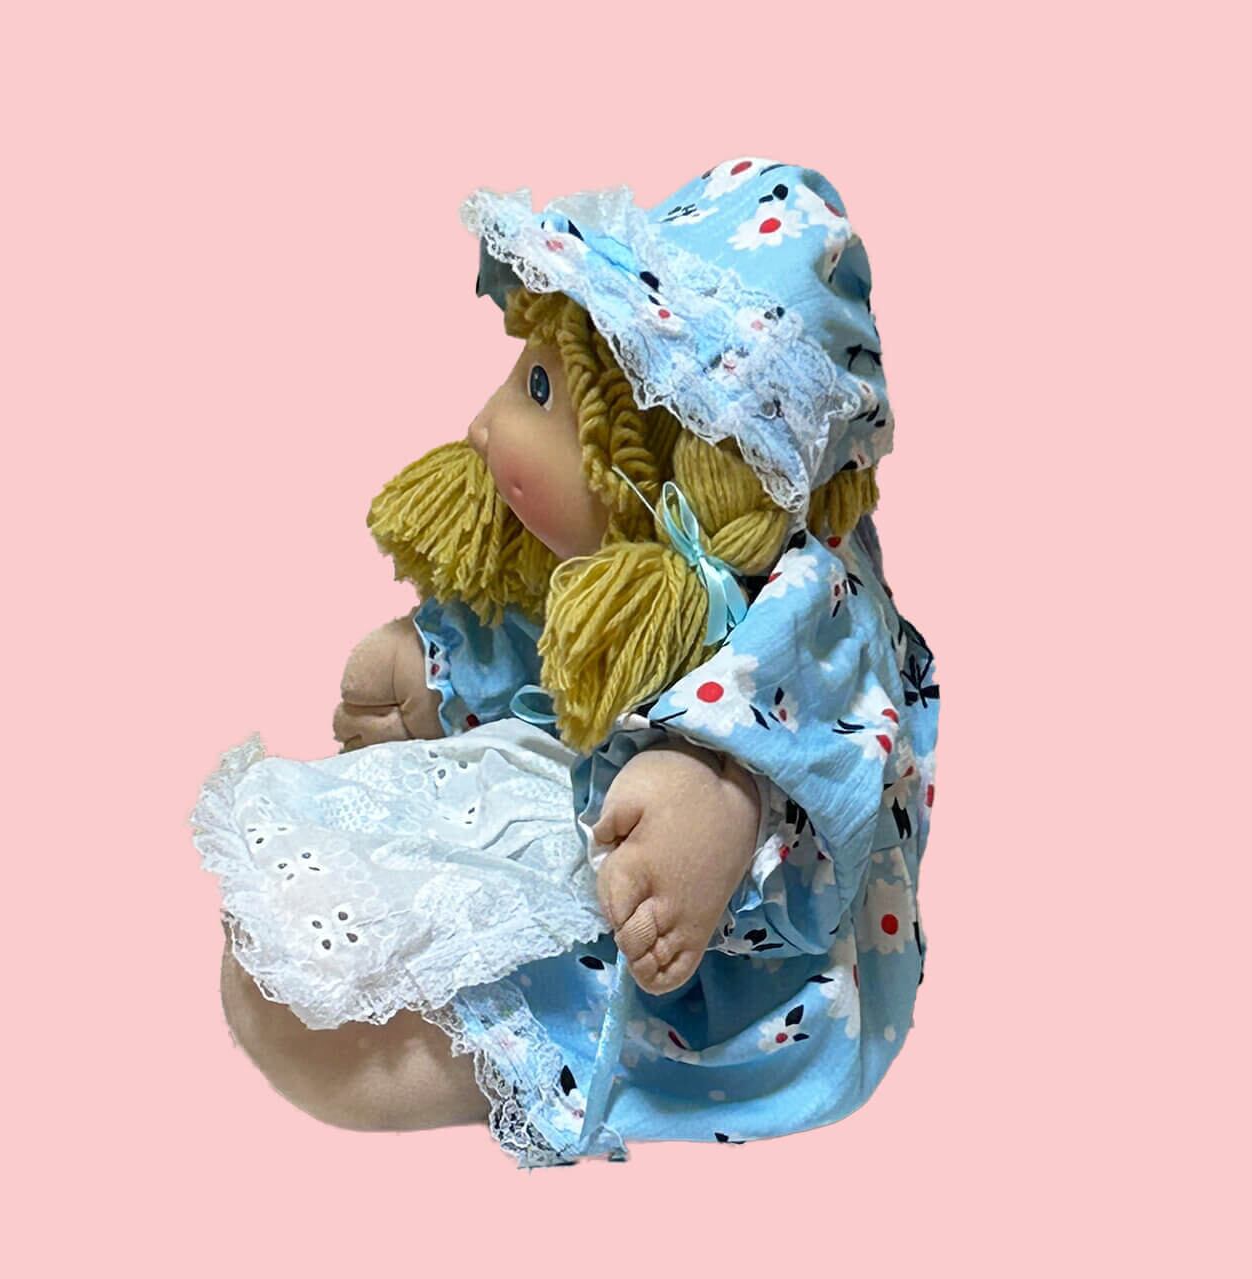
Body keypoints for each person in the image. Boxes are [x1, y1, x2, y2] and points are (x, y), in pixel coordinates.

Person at [195, 158, 940, 1166]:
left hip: (727, 955)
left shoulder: (812, 613)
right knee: (338, 895)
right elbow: (550, 632)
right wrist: (441, 672)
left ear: (683, 459)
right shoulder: (633, 566)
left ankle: (517, 1047)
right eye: (525, 377)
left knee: (475, 973)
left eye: (542, 390)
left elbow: (825, 753)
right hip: (582, 783)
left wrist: (720, 797)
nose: (486, 425)